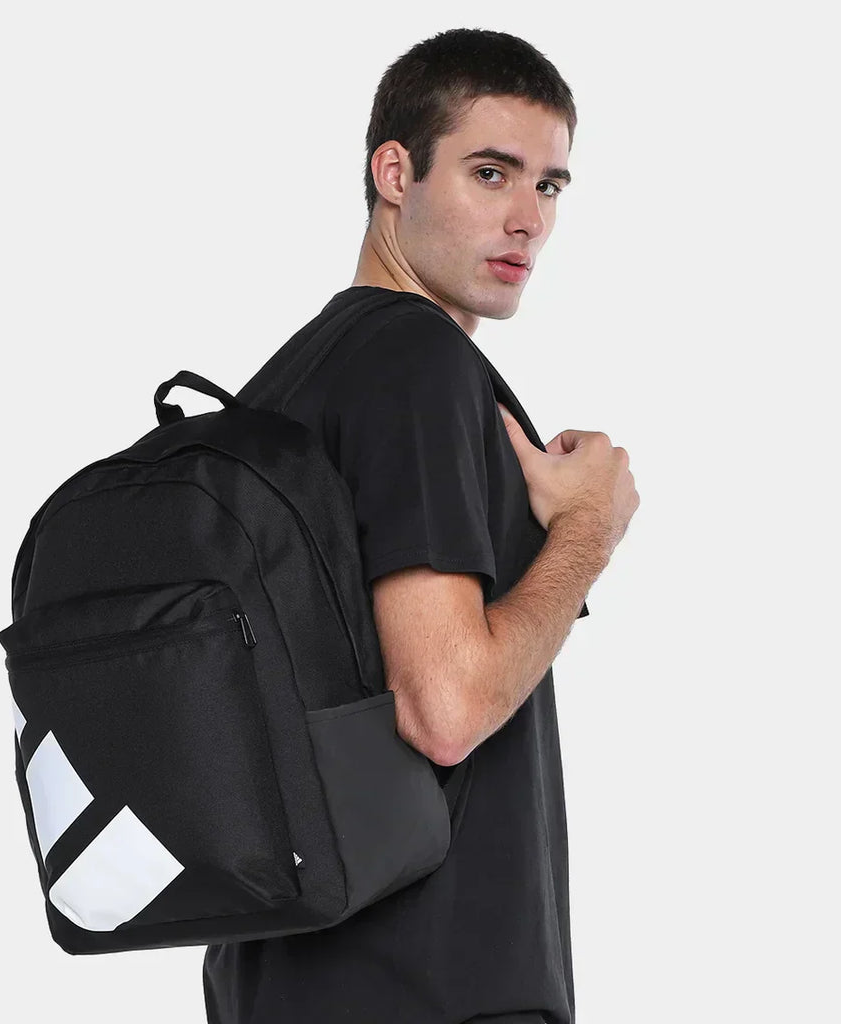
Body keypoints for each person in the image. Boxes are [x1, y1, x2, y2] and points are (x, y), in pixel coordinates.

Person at [203, 27, 639, 1024]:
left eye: (550, 185)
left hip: (275, 986)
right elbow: (445, 707)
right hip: (436, 988)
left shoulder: (286, 385)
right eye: (491, 173)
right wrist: (586, 534)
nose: (528, 219)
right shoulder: (416, 361)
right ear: (394, 173)